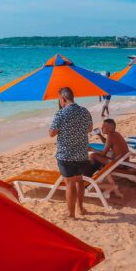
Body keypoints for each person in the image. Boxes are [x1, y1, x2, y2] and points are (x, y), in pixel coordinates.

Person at [49, 87, 93, 219]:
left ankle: (71, 214)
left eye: (59, 100)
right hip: (81, 154)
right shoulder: (84, 111)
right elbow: (89, 128)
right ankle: (81, 208)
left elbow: (51, 133)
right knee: (79, 181)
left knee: (70, 183)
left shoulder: (61, 114)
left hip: (66, 155)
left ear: (63, 99)